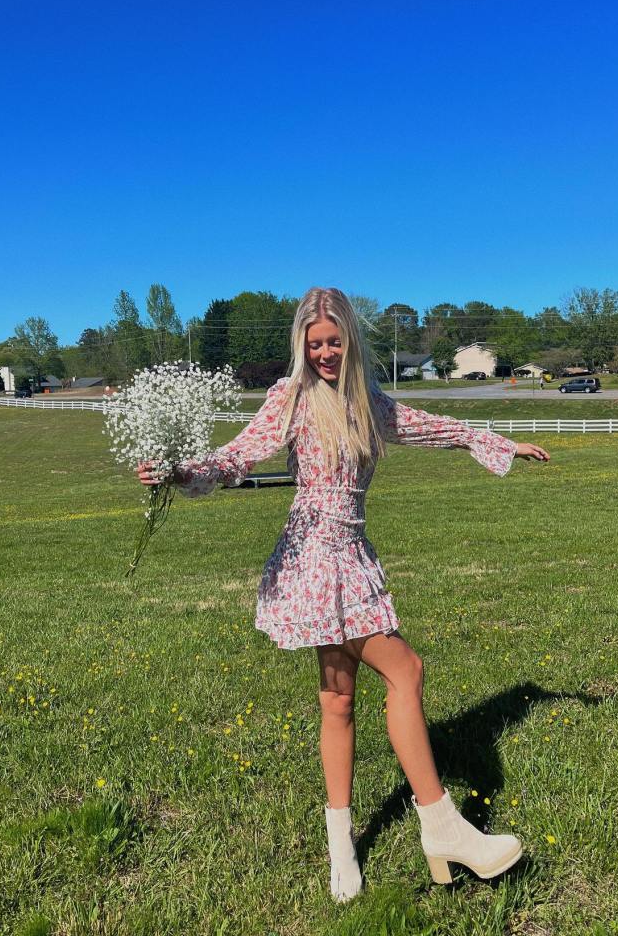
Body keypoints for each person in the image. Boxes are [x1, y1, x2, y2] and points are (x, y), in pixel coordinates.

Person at [137, 286, 550, 902]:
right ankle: (440, 826)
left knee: (338, 702)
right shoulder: (289, 397)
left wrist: (494, 442)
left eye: (334, 341)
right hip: (313, 554)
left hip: (353, 551)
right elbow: (238, 456)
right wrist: (180, 470)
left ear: (349, 339)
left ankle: (343, 847)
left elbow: (427, 426)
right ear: (302, 347)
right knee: (404, 670)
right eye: (315, 344)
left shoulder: (368, 401)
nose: (326, 352)